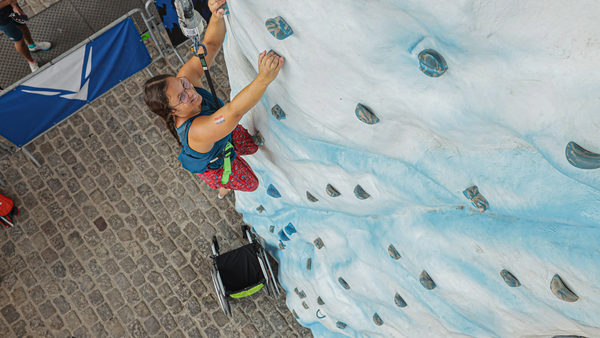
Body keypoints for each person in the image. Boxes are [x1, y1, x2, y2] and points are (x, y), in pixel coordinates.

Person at [143, 0, 284, 199]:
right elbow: (233, 112)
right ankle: (224, 187)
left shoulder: (187, 78)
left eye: (183, 83)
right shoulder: (197, 132)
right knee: (251, 183)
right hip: (217, 164)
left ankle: (236, 148)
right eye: (182, 96)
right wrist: (263, 79)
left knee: (251, 147)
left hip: (223, 134)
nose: (189, 90)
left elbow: (210, 44)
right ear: (173, 112)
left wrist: (216, 17)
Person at [0, 0, 51, 72]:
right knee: (19, 41)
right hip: (2, 19)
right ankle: (31, 62)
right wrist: (9, 2)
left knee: (22, 26)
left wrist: (14, 5)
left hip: (10, 7)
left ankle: (33, 46)